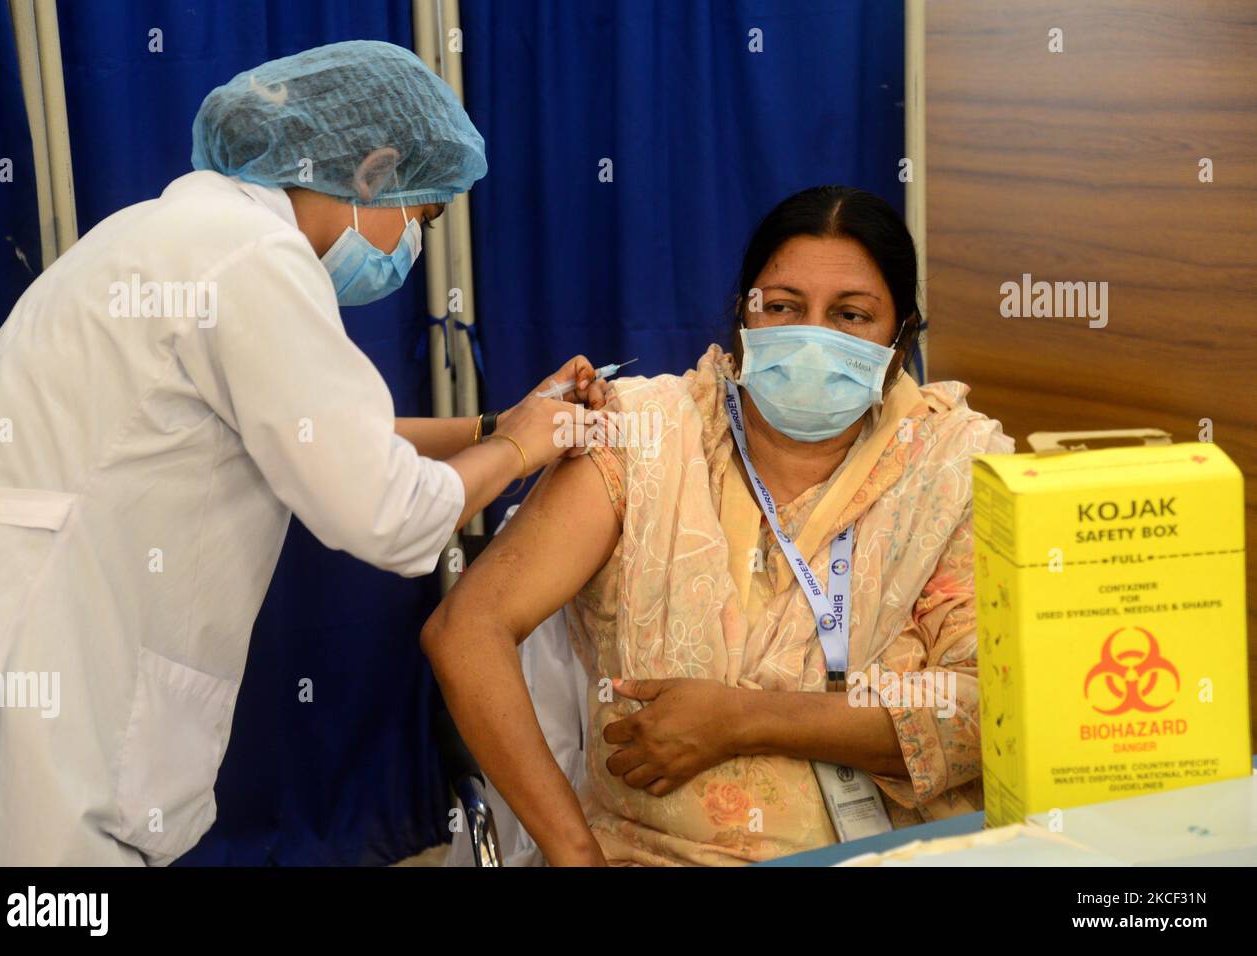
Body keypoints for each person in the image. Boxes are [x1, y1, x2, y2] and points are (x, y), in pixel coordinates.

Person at [0, 40, 601, 865]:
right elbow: (389, 516)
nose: (411, 247)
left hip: (15, 629)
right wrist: (521, 447)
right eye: (423, 216)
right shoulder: (257, 259)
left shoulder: (171, 234)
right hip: (49, 671)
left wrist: (492, 427)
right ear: (372, 171)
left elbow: (310, 441)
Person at [423, 186, 1016, 866]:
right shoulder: (646, 435)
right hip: (656, 853)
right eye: (784, 307)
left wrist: (740, 721)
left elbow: (992, 706)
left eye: (851, 315)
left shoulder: (956, 466)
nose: (814, 336)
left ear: (902, 336)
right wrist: (572, 852)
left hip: (903, 852)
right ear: (742, 318)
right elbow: (468, 628)